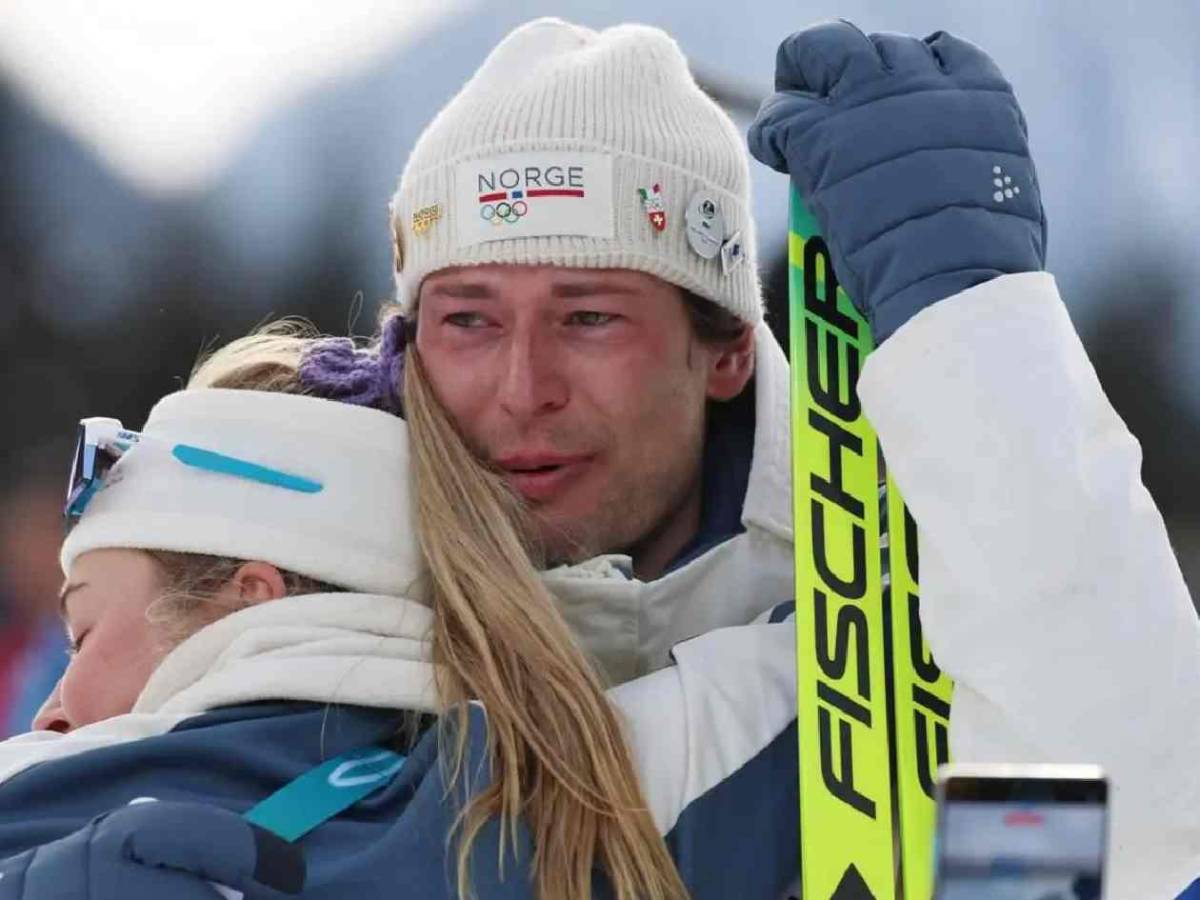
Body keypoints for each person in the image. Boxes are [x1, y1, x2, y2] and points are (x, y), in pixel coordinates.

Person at [388, 18, 1200, 899]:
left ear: (729, 351)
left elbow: (1119, 861)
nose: (524, 388)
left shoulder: (936, 641)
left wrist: (978, 329)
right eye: (468, 319)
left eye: (589, 317)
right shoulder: (304, 610)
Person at [0, 321, 796, 900]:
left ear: (248, 598)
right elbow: (844, 664)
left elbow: (856, 647)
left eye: (82, 636)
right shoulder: (558, 795)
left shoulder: (563, 782)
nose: (47, 712)